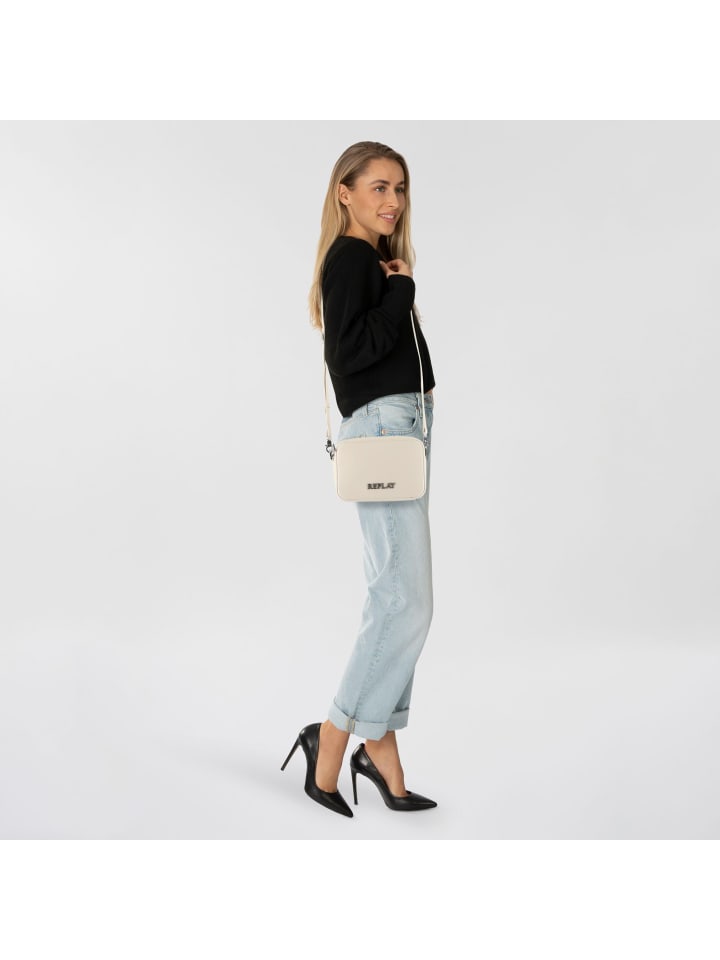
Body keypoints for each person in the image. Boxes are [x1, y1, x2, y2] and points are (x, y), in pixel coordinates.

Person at [281, 141, 437, 816]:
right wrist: (401, 290)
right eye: (379, 187)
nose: (392, 201)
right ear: (344, 192)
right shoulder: (351, 258)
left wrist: (395, 282)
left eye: (399, 188)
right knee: (404, 602)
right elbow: (347, 355)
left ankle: (380, 747)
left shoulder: (369, 260)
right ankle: (337, 735)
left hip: (396, 430)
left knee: (398, 597)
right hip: (382, 430)